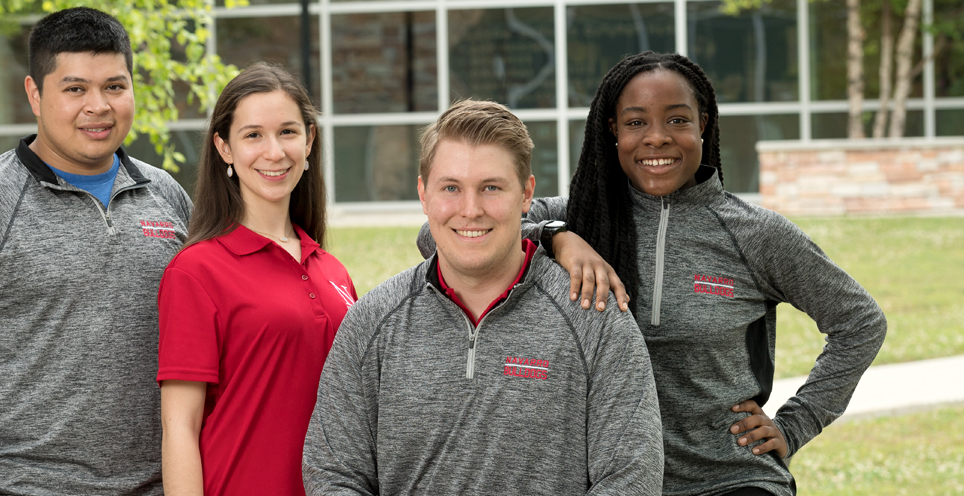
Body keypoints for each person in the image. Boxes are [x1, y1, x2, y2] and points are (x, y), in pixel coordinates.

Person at [519, 52, 887, 496]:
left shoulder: (754, 234)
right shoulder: (578, 217)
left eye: (677, 120)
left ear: (703, 125)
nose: (657, 137)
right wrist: (557, 237)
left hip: (729, 478)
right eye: (636, 122)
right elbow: (465, 232)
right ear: (613, 130)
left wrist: (796, 423)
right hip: (606, 481)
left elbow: (860, 322)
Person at [302, 99, 663, 495]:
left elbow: (632, 476)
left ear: (526, 195)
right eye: (451, 188)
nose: (470, 210)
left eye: (491, 188)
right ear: (423, 194)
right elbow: (333, 472)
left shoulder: (594, 318)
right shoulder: (372, 321)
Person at [0, 8, 191, 494]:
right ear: (35, 94)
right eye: (75, 89)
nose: (98, 106)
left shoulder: (166, 196)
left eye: (114, 86)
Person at [157, 62, 357, 496]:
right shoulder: (196, 271)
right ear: (224, 148)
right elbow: (180, 427)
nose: (274, 151)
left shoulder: (333, 271)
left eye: (287, 132)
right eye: (253, 135)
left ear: (309, 140)